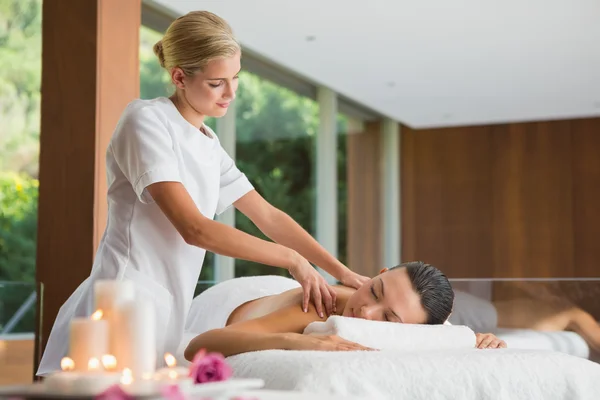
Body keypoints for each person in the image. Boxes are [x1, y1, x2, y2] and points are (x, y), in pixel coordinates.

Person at [37, 10, 368, 375]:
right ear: (179, 77)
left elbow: (269, 216)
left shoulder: (209, 146)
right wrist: (291, 260)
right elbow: (193, 228)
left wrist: (341, 271)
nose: (231, 92)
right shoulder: (146, 121)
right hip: (118, 303)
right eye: (217, 83)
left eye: (235, 78)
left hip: (164, 316)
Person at [182, 261, 506, 360]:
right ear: (378, 274)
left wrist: (474, 338)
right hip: (228, 303)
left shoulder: (415, 317)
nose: (366, 312)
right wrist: (297, 341)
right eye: (375, 291)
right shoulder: (317, 308)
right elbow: (199, 346)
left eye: (389, 318)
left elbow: (438, 329)